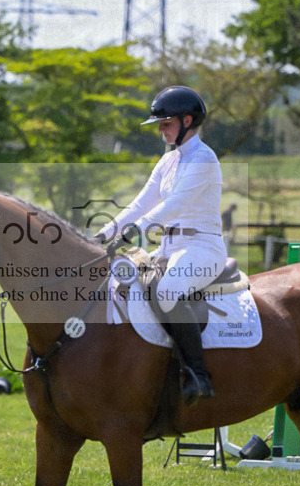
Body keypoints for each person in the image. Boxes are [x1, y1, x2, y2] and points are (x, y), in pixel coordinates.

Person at [96, 86, 227, 403]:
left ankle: (198, 375)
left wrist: (135, 231)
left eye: (166, 123)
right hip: (169, 250)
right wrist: (104, 232)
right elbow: (139, 205)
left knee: (167, 291)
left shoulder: (203, 159)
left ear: (186, 120)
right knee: (119, 283)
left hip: (203, 248)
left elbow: (176, 205)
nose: (160, 129)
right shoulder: (167, 162)